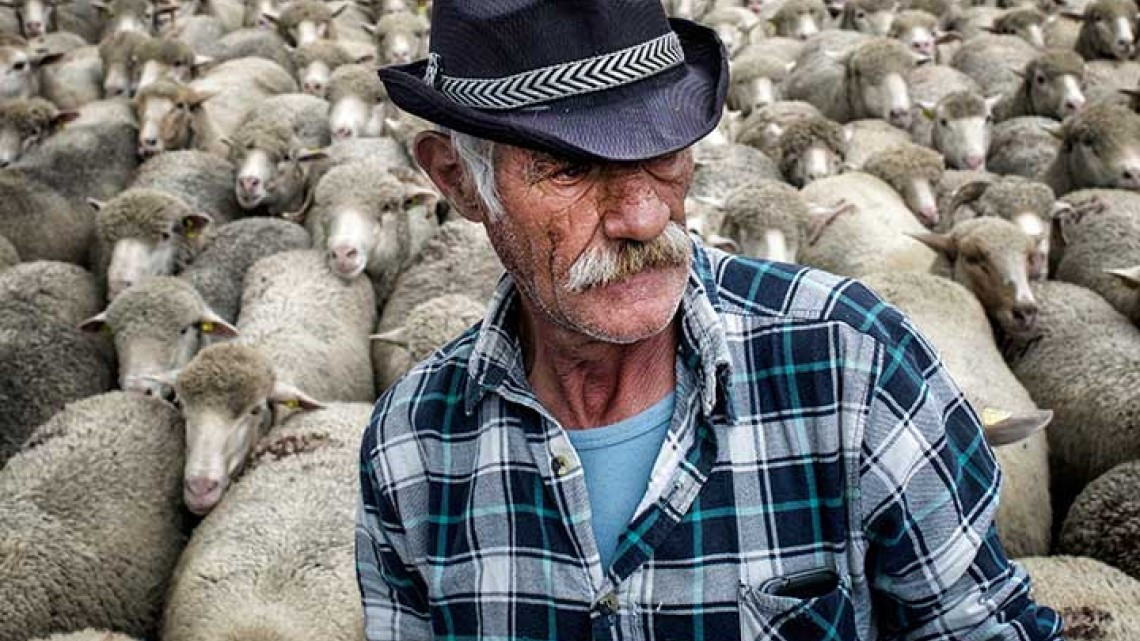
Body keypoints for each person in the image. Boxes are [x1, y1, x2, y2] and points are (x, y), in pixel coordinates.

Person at [355, 1, 1063, 639]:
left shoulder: (853, 369)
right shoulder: (413, 448)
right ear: (457, 180)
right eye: (566, 168)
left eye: (662, 147)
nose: (644, 215)